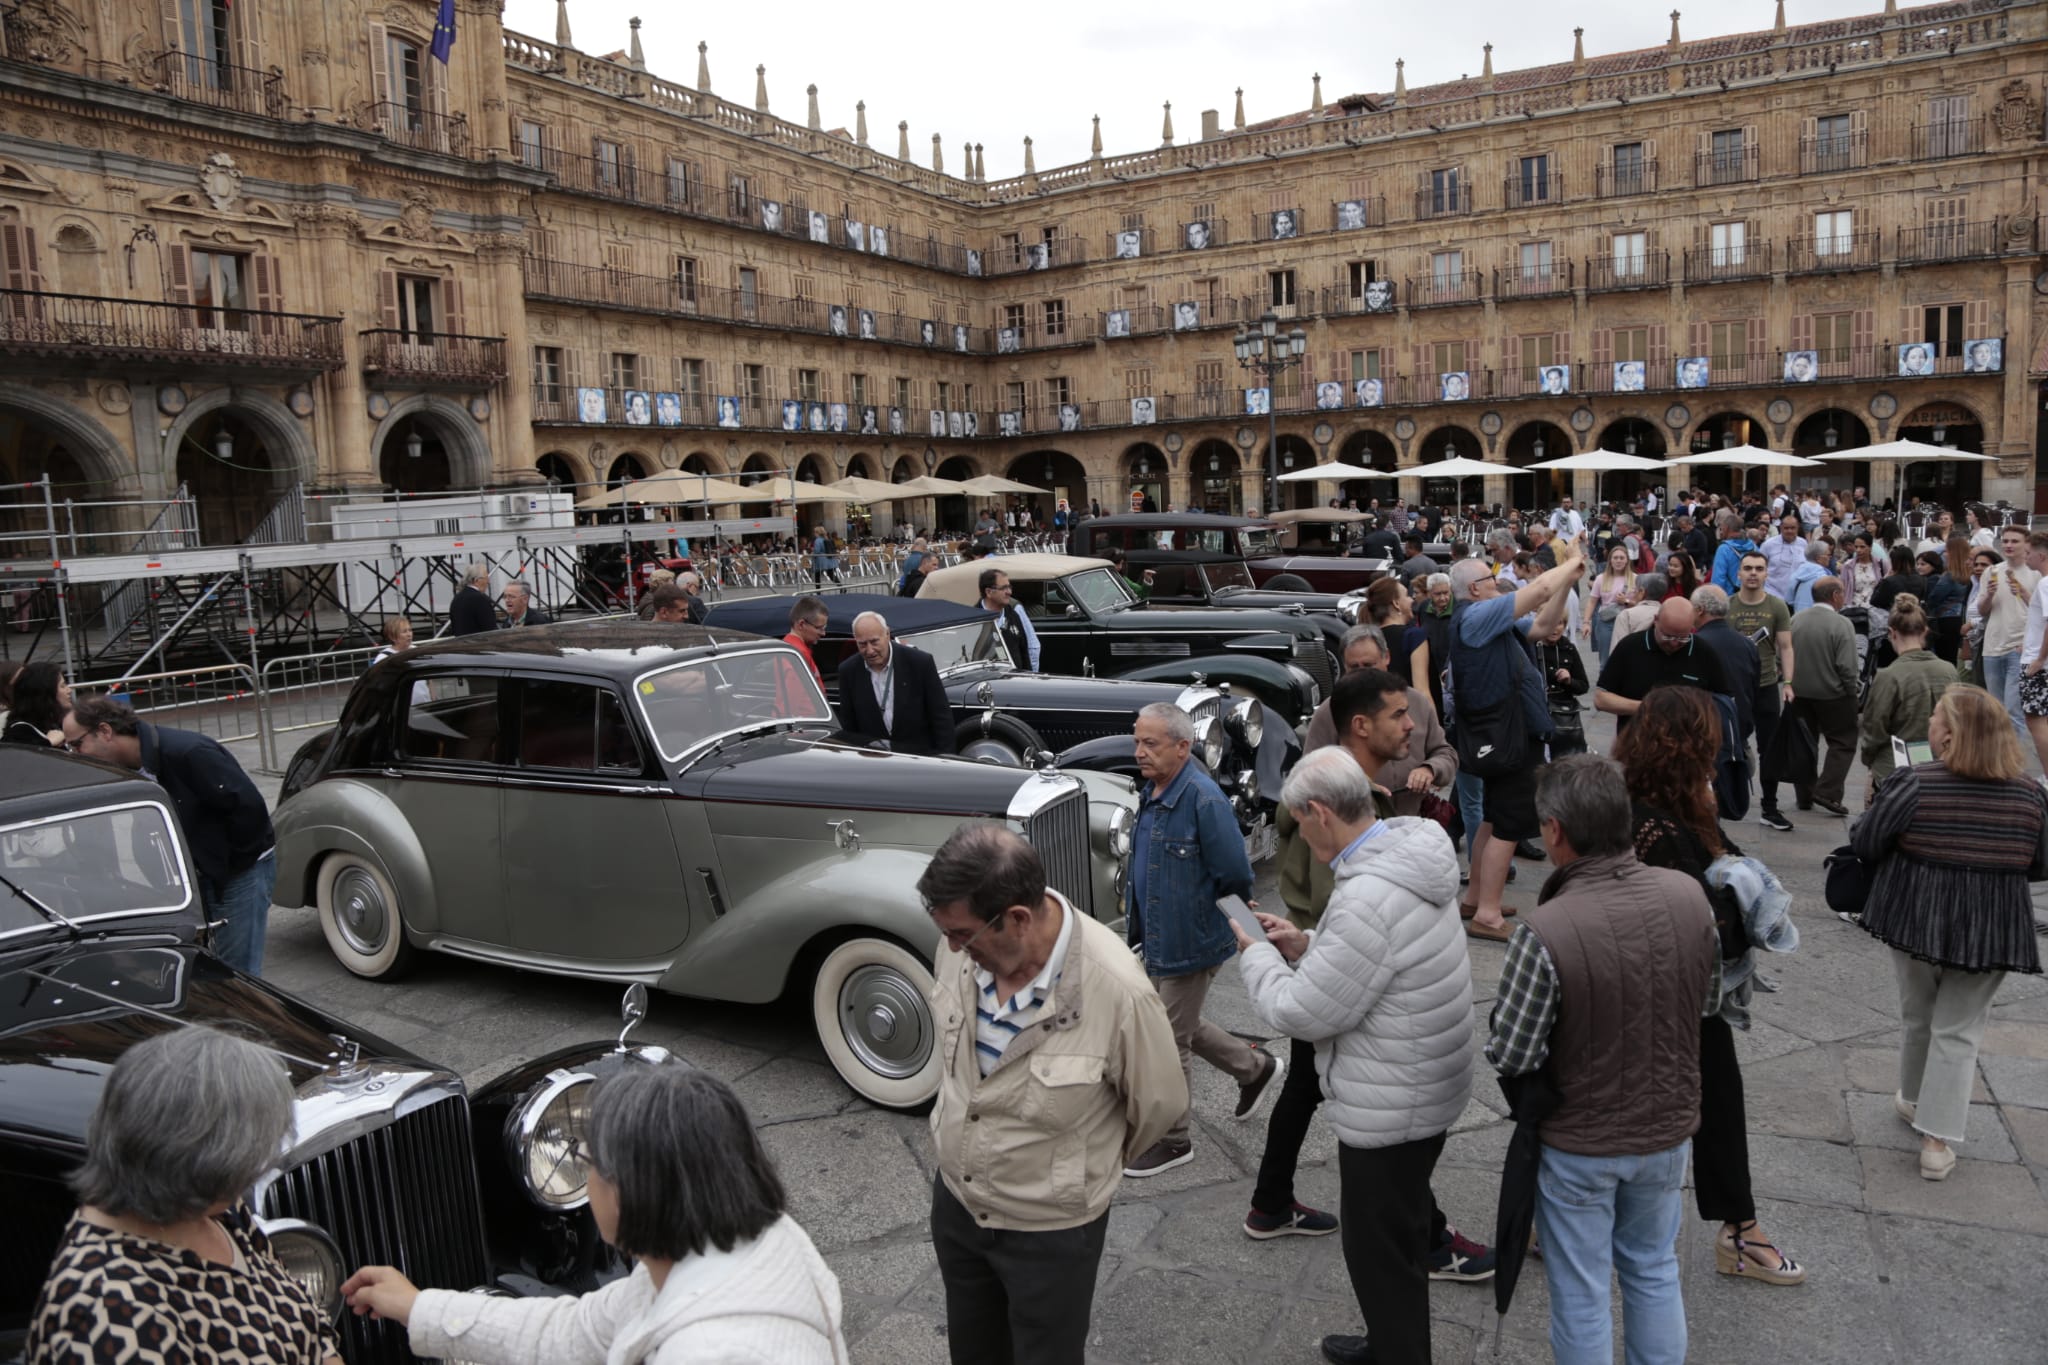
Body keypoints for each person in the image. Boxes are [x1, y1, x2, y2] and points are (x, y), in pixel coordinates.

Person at [345, 1064, 848, 1362]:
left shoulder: (709, 1352)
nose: (586, 1185)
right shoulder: (745, 1242)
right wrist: (418, 1306)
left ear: (633, 1190)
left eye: (592, 1165)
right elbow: (570, 1332)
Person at [1235, 747, 1474, 1365]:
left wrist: (1256, 954)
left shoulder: (1367, 892)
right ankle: (1392, 1343)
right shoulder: (1411, 851)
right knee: (1395, 1240)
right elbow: (1383, 954)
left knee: (1380, 1255)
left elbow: (1301, 1014)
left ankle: (1398, 1352)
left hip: (1390, 1103)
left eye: (1295, 821)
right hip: (1422, 1081)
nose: (1296, 834)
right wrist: (1308, 942)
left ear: (1318, 813)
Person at [1485, 755, 1721, 1365]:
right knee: (1653, 1269)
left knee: (1583, 1291)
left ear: (1555, 831)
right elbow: (1710, 1000)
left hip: (1579, 1141)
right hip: (1667, 1129)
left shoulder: (1546, 929)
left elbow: (1513, 1051)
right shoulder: (1690, 897)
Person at [918, 824, 1184, 1365]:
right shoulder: (960, 948)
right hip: (959, 1209)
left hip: (1051, 1234)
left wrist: (1075, 1169)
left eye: (963, 935)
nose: (952, 949)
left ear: (1016, 918)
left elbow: (1158, 1109)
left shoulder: (1119, 990)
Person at [1613, 689, 1806, 1288]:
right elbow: (1699, 916)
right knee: (1712, 1098)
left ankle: (1740, 1228)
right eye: (1713, 739)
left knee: (1693, 1096)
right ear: (1691, 747)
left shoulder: (1665, 803)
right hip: (1666, 991)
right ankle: (1742, 1233)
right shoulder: (1655, 823)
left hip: (1655, 986)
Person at [27, 1028, 344, 1364]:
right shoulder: (106, 1315)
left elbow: (308, 1324)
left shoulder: (209, 1207)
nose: (255, 1172)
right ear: (196, 1163)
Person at [1853, 686, 2046, 1180]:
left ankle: (1918, 1103)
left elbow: (1867, 843)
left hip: (1917, 914)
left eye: (1937, 718)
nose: (1931, 727)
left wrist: (1874, 805)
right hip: (1994, 926)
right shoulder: (2030, 794)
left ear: (1950, 734)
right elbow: (2040, 865)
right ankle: (1934, 1139)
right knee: (1957, 1030)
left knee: (1918, 1012)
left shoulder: (1915, 781)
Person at [1120, 703, 1279, 1177]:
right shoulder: (1155, 789)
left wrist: (1239, 928)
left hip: (1190, 941)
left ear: (1183, 747)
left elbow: (1234, 872)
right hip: (1161, 937)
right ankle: (1255, 1069)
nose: (1140, 752)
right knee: (1178, 1022)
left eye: (1151, 743)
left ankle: (1174, 1138)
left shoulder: (1204, 799)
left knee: (1168, 1042)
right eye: (1137, 741)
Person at [65, 696, 276, 975]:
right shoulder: (129, 767)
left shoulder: (189, 752)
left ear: (105, 731)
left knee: (236, 972)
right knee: (208, 965)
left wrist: (224, 868)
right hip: (203, 877)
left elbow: (248, 810)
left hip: (238, 875)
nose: (74, 753)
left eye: (76, 744)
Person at [1445, 543, 1581, 941]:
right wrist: (1569, 562)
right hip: (1506, 735)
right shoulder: (1476, 615)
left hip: (1504, 733)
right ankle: (1487, 915)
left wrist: (1565, 584)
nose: (1499, 581)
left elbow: (1540, 627)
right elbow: (1536, 590)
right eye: (1490, 578)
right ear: (1474, 589)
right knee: (1508, 822)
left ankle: (1475, 898)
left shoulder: (1487, 619)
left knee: (1491, 817)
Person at [1727, 550, 1798, 831]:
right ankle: (1725, 799)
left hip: (1767, 684)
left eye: (1759, 568)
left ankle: (1769, 806)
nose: (1753, 573)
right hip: (1734, 687)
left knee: (1770, 748)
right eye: (1748, 568)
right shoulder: (1728, 605)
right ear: (1739, 574)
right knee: (1728, 745)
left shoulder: (1777, 606)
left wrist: (1789, 683)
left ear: (1767, 573)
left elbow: (1786, 647)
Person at [1593, 597, 1732, 733]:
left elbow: (1725, 702)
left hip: (1689, 746)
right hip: (1637, 745)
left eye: (1682, 637)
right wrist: (1649, 708)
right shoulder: (1630, 647)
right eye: (1667, 636)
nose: (1674, 643)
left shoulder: (1703, 652)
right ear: (1656, 620)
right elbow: (1601, 699)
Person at [1860, 595, 1953, 792]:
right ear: (1925, 631)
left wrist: (1869, 759)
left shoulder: (1888, 676)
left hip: (1894, 767)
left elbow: (1875, 727)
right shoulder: (1948, 671)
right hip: (1939, 765)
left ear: (1891, 633)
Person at [1785, 578, 1861, 815]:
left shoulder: (1796, 620)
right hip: (1833, 694)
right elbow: (1847, 666)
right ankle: (1827, 791)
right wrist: (1852, 692)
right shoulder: (1842, 624)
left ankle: (1805, 795)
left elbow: (1783, 653)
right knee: (1843, 742)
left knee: (1804, 743)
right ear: (1836, 595)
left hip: (1799, 692)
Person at [836, 611, 953, 755]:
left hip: (920, 760)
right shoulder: (848, 671)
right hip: (875, 762)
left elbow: (941, 718)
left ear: (887, 634)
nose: (870, 650)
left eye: (874, 642)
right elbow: (850, 727)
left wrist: (945, 759)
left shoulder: (919, 663)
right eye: (862, 644)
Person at [1969, 525, 2039, 749]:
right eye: (2006, 541)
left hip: (2019, 647)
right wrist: (1988, 594)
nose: (2008, 545)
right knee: (1995, 710)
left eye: (2014, 541)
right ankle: (1996, 758)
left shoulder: (2036, 573)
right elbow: (1982, 610)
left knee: (2013, 710)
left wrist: (2021, 590)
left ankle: (2012, 766)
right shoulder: (1993, 571)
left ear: (2026, 544)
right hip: (1992, 646)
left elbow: (2040, 612)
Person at [1532, 615, 1590, 755]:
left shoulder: (1568, 648)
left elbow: (1583, 686)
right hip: (1537, 712)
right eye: (1550, 623)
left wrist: (1569, 681)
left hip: (1563, 717)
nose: (1555, 629)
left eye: (1559, 624)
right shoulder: (1531, 647)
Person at [1583, 543, 1641, 668]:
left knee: (1627, 658)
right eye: (1615, 558)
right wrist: (1586, 622)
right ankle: (1604, 686)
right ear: (1610, 560)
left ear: (1627, 560)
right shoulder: (1601, 579)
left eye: (1621, 558)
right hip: (1606, 622)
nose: (1618, 561)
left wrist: (1626, 601)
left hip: (1628, 621)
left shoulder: (1636, 579)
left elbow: (1640, 604)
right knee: (1605, 661)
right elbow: (1592, 601)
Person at [979, 568, 1040, 672]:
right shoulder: (974, 619)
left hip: (1016, 682)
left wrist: (1030, 677)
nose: (1009, 592)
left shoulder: (1013, 615)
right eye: (1004, 588)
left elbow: (1027, 649)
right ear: (989, 592)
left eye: (1009, 587)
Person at [3, 660, 69, 746]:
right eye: (62, 686)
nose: (69, 690)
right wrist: (48, 743)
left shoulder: (54, 722)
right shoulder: (19, 732)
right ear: (46, 692)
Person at [1921, 547, 1969, 662]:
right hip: (1959, 617)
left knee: (1943, 657)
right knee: (1952, 657)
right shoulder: (1967, 575)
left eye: (1947, 551)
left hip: (1944, 620)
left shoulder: (1949, 576)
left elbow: (1934, 598)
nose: (1944, 554)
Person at [780, 596, 828, 692]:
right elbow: (799, 699)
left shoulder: (787, 646)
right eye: (819, 628)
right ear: (801, 624)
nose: (823, 633)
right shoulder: (798, 654)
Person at [1760, 513, 1808, 601]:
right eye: (1786, 528)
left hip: (1796, 596)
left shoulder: (1803, 544)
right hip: (1772, 593)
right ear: (1781, 528)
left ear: (1797, 528)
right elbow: (1760, 568)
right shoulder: (1768, 545)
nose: (1789, 531)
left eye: (1792, 528)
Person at [1710, 510, 1757, 593]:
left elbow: (1718, 578)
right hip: (1750, 594)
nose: (1721, 531)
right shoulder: (1753, 546)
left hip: (1730, 596)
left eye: (1722, 528)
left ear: (1727, 528)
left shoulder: (1724, 549)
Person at [449, 561, 497, 635]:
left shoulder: (456, 599)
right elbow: (490, 628)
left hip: (460, 644)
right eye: (486, 578)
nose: (488, 582)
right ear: (476, 580)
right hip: (479, 644)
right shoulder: (481, 599)